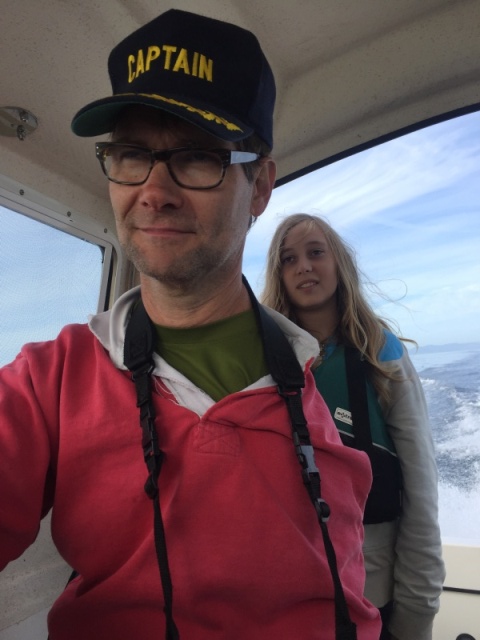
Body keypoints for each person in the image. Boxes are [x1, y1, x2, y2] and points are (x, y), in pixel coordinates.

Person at [0, 11, 382, 640]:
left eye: (198, 157)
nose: (154, 191)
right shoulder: (48, 381)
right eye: (131, 154)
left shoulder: (311, 391)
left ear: (259, 186)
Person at [261, 213, 446, 640]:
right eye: (289, 259)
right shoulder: (262, 361)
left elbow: (420, 486)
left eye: (316, 252)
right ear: (278, 274)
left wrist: (417, 610)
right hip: (286, 596)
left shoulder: (383, 354)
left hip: (370, 592)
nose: (304, 266)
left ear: (339, 263)